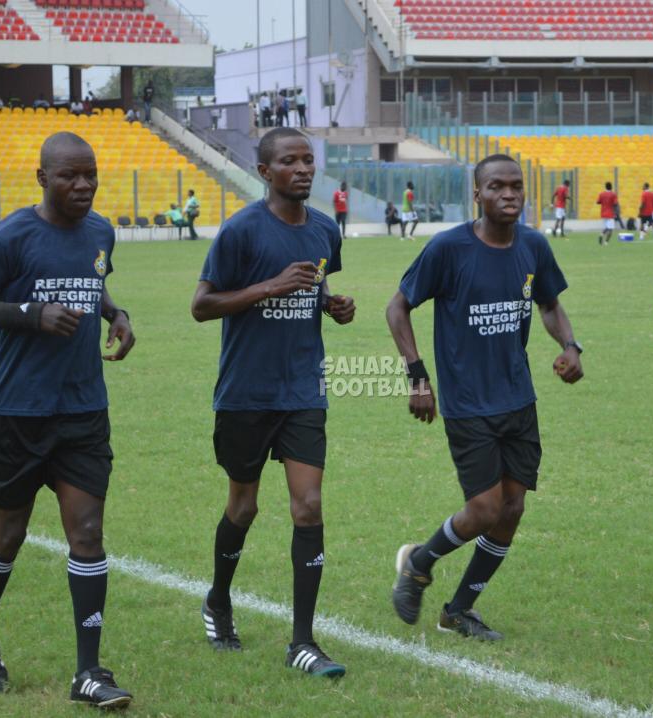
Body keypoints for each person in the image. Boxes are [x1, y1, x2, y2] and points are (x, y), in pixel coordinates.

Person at [0, 132, 136, 707]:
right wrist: (28, 314)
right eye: (69, 177)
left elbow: (94, 282)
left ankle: (88, 672)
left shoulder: (101, 231)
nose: (82, 186)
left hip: (83, 409)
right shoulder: (9, 237)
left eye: (90, 175)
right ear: (42, 178)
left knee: (87, 533)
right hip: (17, 411)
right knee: (9, 534)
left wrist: (117, 313)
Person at [387, 153, 584, 641]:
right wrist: (417, 377)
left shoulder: (534, 246)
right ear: (477, 194)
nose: (509, 194)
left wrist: (570, 346)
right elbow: (397, 308)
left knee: (512, 508)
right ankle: (419, 561)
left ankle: (459, 611)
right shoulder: (448, 250)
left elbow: (550, 304)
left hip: (519, 399)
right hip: (468, 402)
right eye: (497, 186)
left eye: (516, 186)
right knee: (483, 511)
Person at [190, 126, 355, 678]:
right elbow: (202, 305)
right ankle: (218, 599)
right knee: (244, 506)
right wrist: (268, 287)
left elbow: (314, 286)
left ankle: (302, 641)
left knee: (308, 506)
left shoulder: (326, 231)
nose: (304, 169)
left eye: (309, 160)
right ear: (265, 172)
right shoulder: (240, 232)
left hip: (303, 390)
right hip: (246, 393)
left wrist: (331, 303)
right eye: (290, 161)